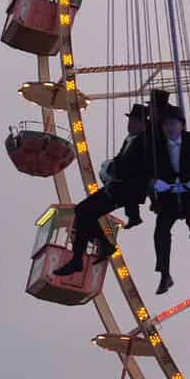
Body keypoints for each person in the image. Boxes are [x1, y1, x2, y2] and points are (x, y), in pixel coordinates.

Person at [53, 104, 154, 277]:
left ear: (142, 124)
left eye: (134, 121)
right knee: (82, 211)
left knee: (85, 213)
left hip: (124, 189)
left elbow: (132, 167)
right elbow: (121, 161)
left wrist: (112, 168)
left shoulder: (144, 142)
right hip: (116, 186)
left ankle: (85, 256)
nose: (129, 124)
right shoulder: (131, 139)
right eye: (130, 120)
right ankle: (98, 249)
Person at [146, 96, 190, 295]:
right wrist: (155, 183)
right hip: (168, 196)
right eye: (166, 125)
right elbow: (147, 170)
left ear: (181, 125)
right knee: (161, 232)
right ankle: (164, 274)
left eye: (173, 124)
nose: (169, 128)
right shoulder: (156, 147)